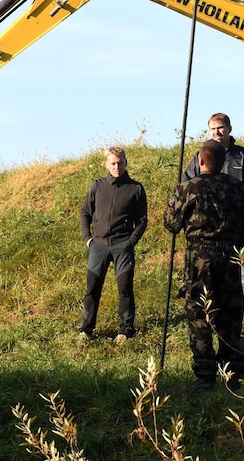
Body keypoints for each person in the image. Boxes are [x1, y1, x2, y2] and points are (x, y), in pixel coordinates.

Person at [165, 140, 244, 391]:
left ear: (200, 161)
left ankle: (205, 376)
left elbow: (171, 223)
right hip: (229, 257)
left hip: (199, 258)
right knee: (230, 315)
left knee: (198, 314)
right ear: (223, 162)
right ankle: (231, 374)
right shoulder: (238, 189)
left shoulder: (188, 187)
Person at [183, 112, 244, 336]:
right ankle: (214, 325)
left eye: (221, 128)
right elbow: (187, 186)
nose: (217, 133)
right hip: (208, 235)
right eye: (213, 129)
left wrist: (239, 216)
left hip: (235, 232)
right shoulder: (201, 156)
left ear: (229, 129)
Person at [79, 146, 148, 345]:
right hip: (98, 245)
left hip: (122, 246)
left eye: (120, 162)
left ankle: (125, 330)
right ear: (106, 164)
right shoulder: (97, 186)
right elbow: (85, 213)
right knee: (92, 288)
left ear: (126, 163)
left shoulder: (135, 188)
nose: (117, 167)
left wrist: (130, 243)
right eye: (113, 163)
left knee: (124, 288)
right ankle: (86, 329)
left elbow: (142, 221)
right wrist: (88, 239)